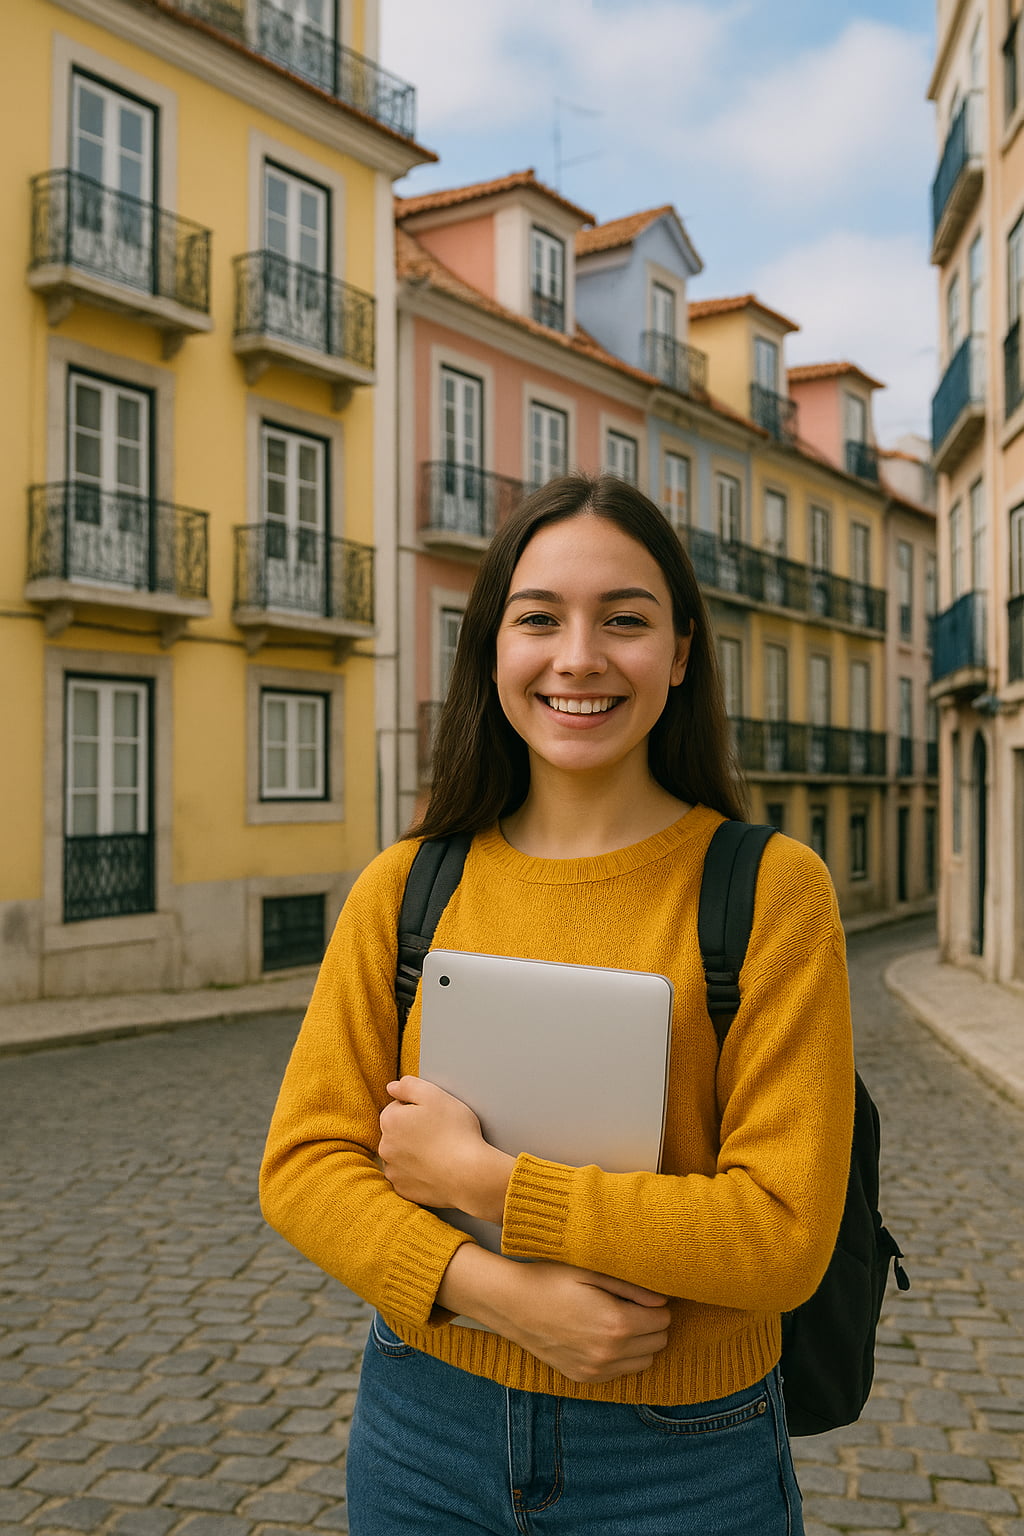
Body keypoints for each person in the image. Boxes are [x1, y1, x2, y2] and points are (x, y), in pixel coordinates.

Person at [259, 473, 855, 1535]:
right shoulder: (405, 887)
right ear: (494, 650)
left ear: (678, 655)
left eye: (624, 620)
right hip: (423, 1428)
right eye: (538, 619)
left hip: (684, 1456)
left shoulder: (771, 891)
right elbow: (304, 1166)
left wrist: (484, 1180)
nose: (578, 656)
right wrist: (498, 1294)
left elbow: (782, 1234)